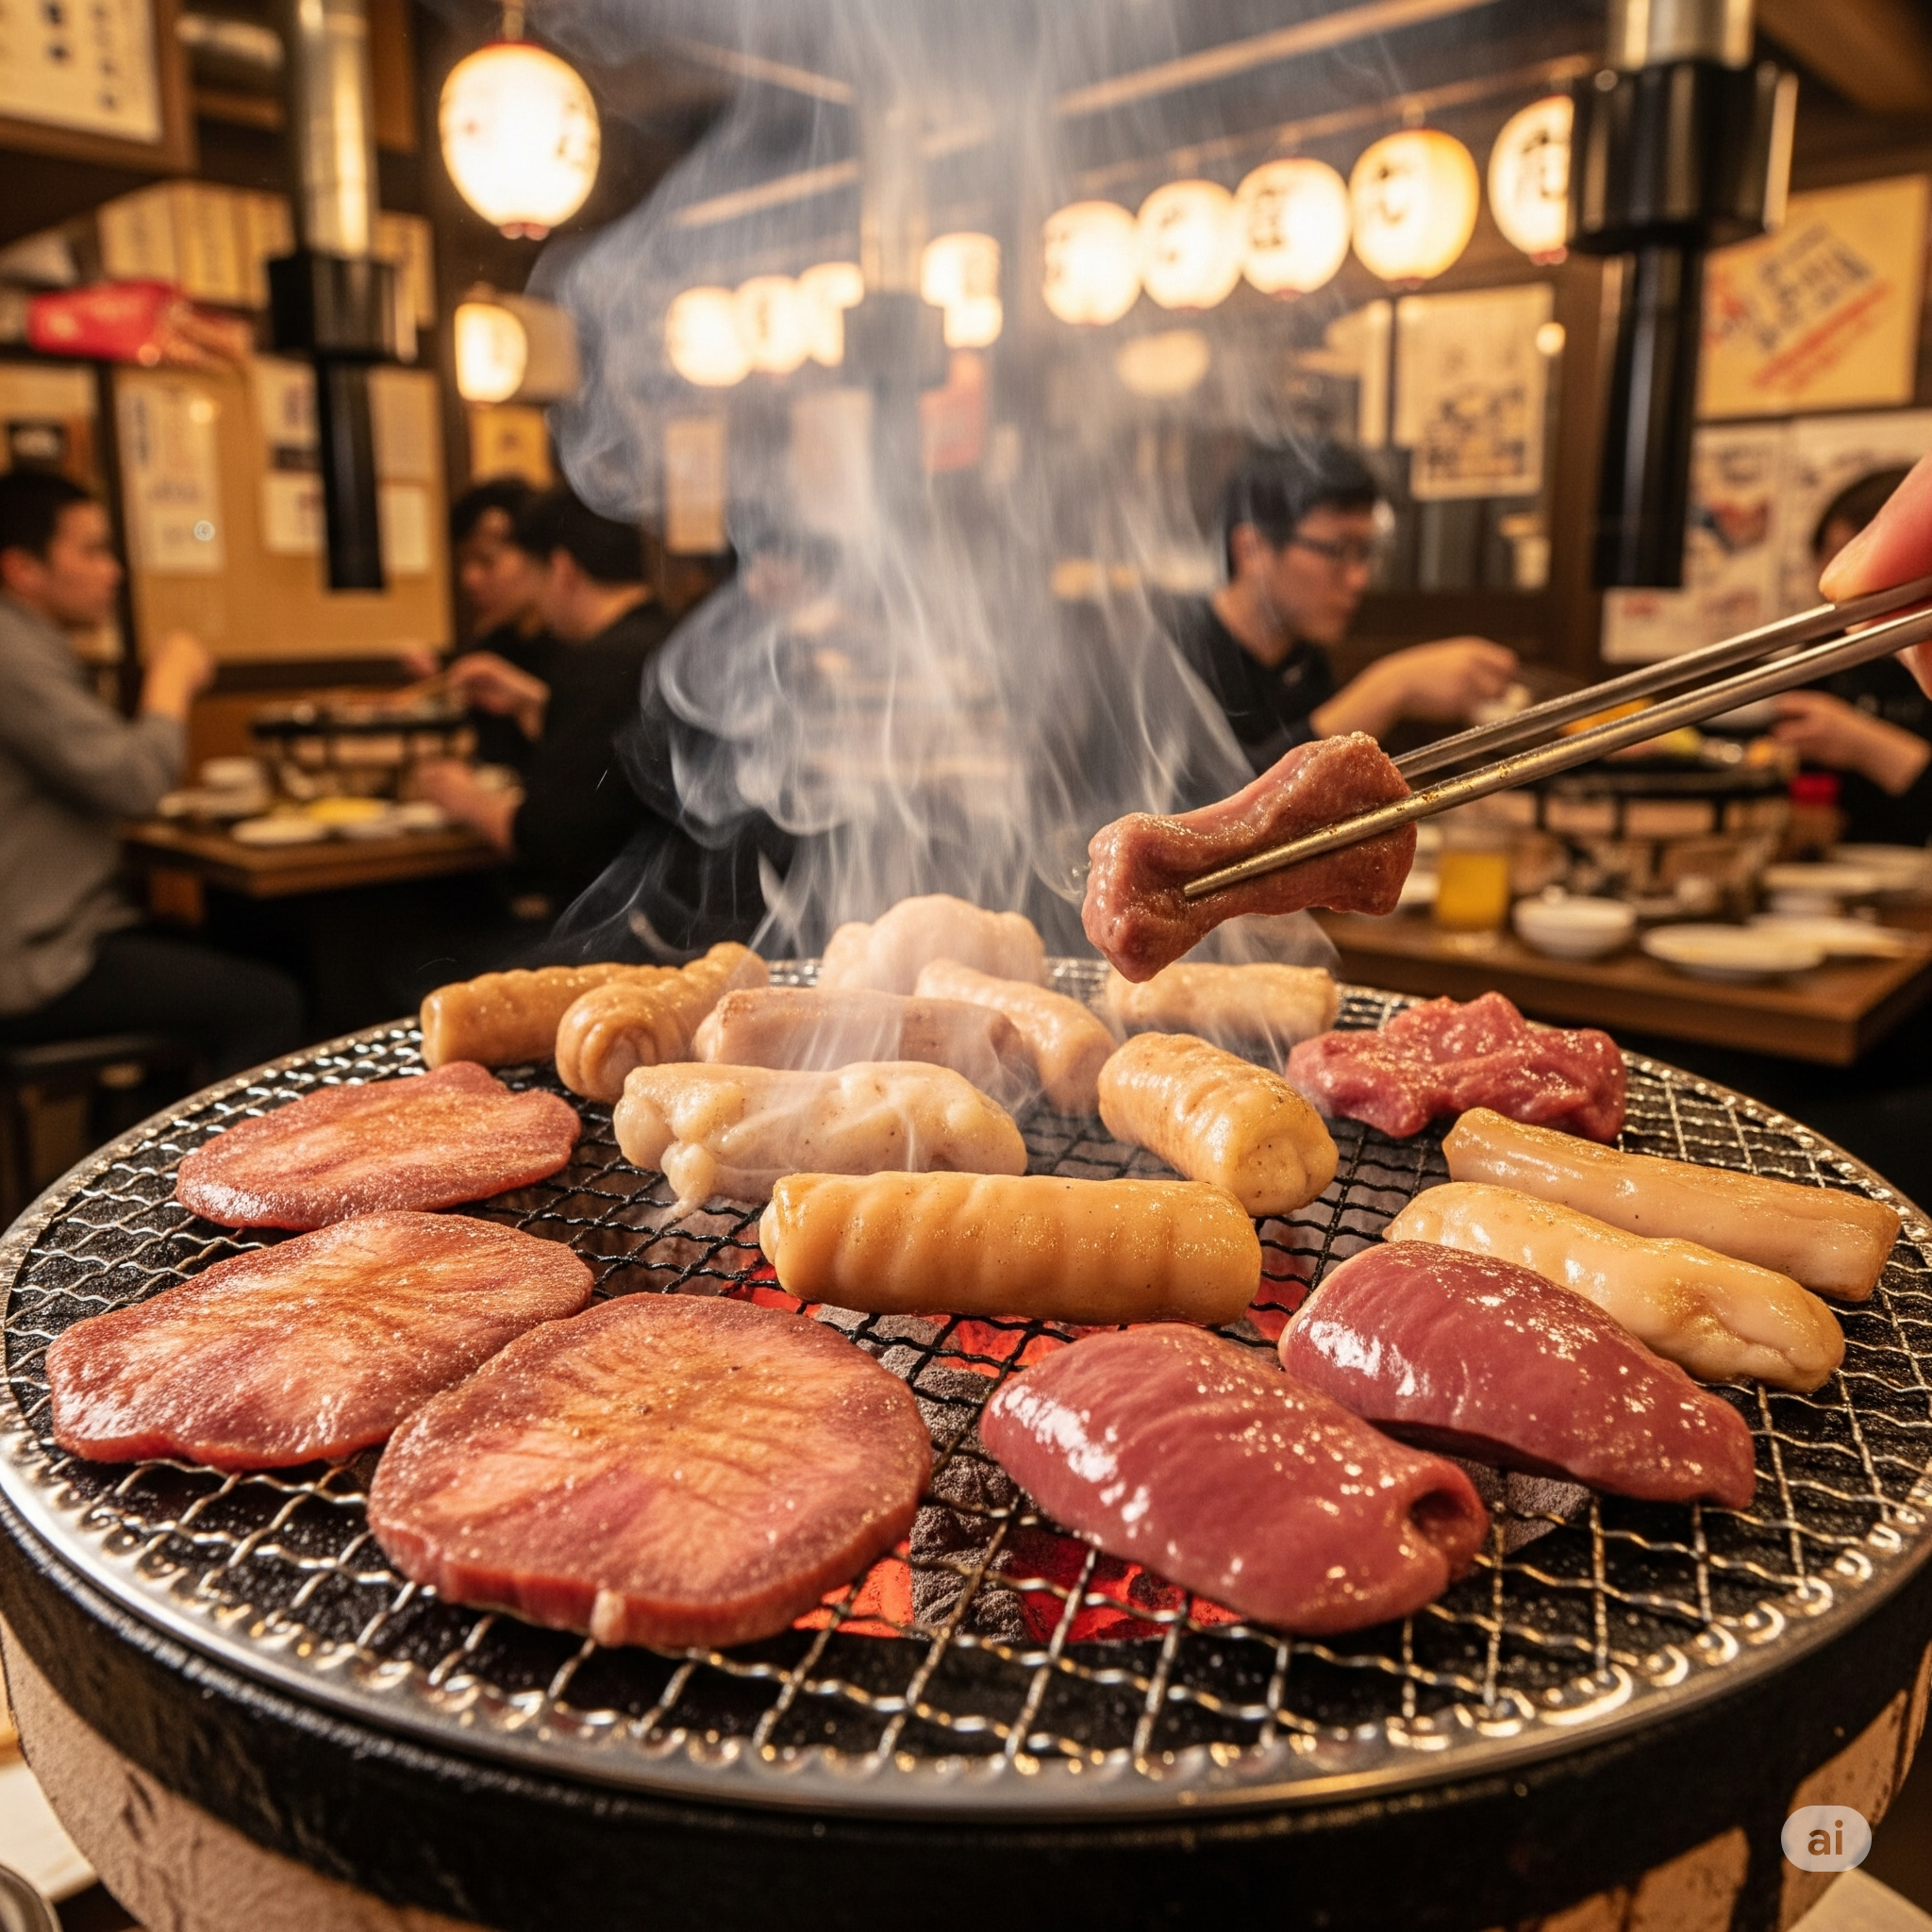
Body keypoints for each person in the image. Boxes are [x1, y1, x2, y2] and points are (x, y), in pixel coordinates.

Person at [0, 469, 305, 1078]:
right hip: (35, 962)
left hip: (54, 938)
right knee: (270, 1004)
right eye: (91, 550)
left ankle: (152, 1140)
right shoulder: (12, 654)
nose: (113, 571)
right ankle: (231, 1172)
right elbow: (134, 782)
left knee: (233, 950)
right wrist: (170, 683)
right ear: (23, 570)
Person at [1168, 441, 1521, 772]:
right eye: (1338, 551)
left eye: (1365, 552)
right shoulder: (1170, 655)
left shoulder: (1305, 660)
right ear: (1252, 550)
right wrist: (1391, 687)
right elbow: (1203, 807)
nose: (1358, 579)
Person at [414, 488, 674, 914]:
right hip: (700, 913)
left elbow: (545, 840)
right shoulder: (671, 641)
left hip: (632, 926)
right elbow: (620, 764)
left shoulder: (599, 664)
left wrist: (466, 798)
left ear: (562, 569)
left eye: (534, 579)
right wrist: (533, 705)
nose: (536, 598)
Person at [1764, 468, 1931, 846]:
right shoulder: (1824, 647)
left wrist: (1862, 744)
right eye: (1828, 553)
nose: (1834, 576)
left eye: (1854, 553)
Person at [441, 477, 554, 773]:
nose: (470, 579)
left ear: (537, 553)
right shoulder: (492, 643)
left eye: (486, 561)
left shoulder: (583, 647)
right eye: (464, 563)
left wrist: (529, 702)